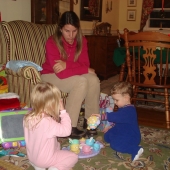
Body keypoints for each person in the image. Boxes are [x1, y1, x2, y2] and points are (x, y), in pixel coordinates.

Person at [40, 11, 100, 138]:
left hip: (70, 73)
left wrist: (67, 64)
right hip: (50, 75)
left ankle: (91, 121)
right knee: (81, 81)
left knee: (93, 79)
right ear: (61, 29)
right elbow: (61, 74)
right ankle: (69, 127)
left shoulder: (82, 40)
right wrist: (81, 68)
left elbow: (85, 64)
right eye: (67, 31)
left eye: (74, 31)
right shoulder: (52, 42)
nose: (71, 35)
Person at [23, 82, 78, 170]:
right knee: (73, 157)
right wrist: (63, 111)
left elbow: (40, 133)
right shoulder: (47, 122)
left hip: (32, 157)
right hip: (44, 160)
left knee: (57, 145)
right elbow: (66, 131)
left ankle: (38, 166)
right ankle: (55, 168)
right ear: (51, 104)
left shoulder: (27, 116)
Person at [94, 81, 143, 161]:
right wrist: (111, 126)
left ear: (126, 98)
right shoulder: (124, 108)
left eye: (116, 100)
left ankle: (135, 149)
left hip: (131, 136)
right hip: (122, 130)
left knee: (116, 145)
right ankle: (114, 137)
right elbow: (119, 120)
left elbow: (116, 116)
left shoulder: (130, 111)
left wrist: (102, 116)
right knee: (107, 135)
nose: (115, 103)